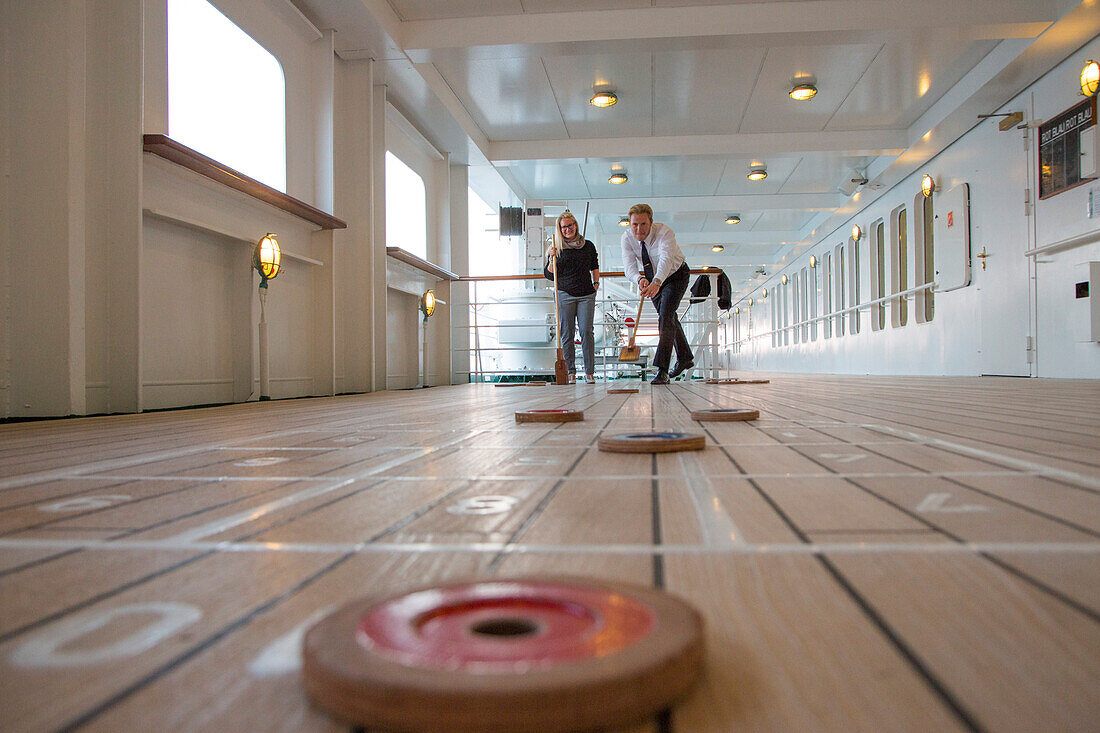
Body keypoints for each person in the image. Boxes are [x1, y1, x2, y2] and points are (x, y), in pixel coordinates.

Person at [620, 203, 693, 384]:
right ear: (630, 224)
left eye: (643, 224)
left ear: (651, 222)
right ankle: (684, 357)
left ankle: (662, 370)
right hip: (653, 279)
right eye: (634, 224)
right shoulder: (627, 238)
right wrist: (639, 279)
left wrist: (657, 282)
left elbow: (666, 260)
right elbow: (629, 267)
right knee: (667, 317)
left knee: (665, 316)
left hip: (675, 276)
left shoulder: (664, 233)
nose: (639, 229)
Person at [545, 210, 600, 383]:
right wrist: (551, 257)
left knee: (586, 331)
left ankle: (589, 372)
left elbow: (594, 265)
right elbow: (548, 275)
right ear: (559, 229)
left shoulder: (588, 245)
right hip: (564, 293)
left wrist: (596, 283)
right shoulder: (556, 248)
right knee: (567, 333)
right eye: (564, 227)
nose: (567, 229)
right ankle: (570, 372)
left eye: (570, 225)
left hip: (586, 294)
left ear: (575, 225)